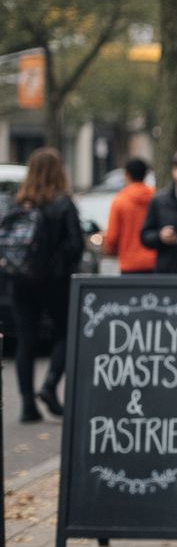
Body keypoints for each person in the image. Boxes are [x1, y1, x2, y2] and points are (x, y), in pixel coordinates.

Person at [9, 148, 83, 422]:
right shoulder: (63, 203)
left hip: (20, 281)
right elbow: (75, 245)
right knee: (66, 333)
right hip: (54, 283)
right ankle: (50, 385)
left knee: (25, 341)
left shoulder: (17, 202)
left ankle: (27, 405)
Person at [102, 157, 156, 273]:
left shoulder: (120, 201)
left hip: (129, 263)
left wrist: (110, 250)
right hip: (154, 262)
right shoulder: (156, 198)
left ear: (127, 175)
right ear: (145, 175)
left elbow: (112, 237)